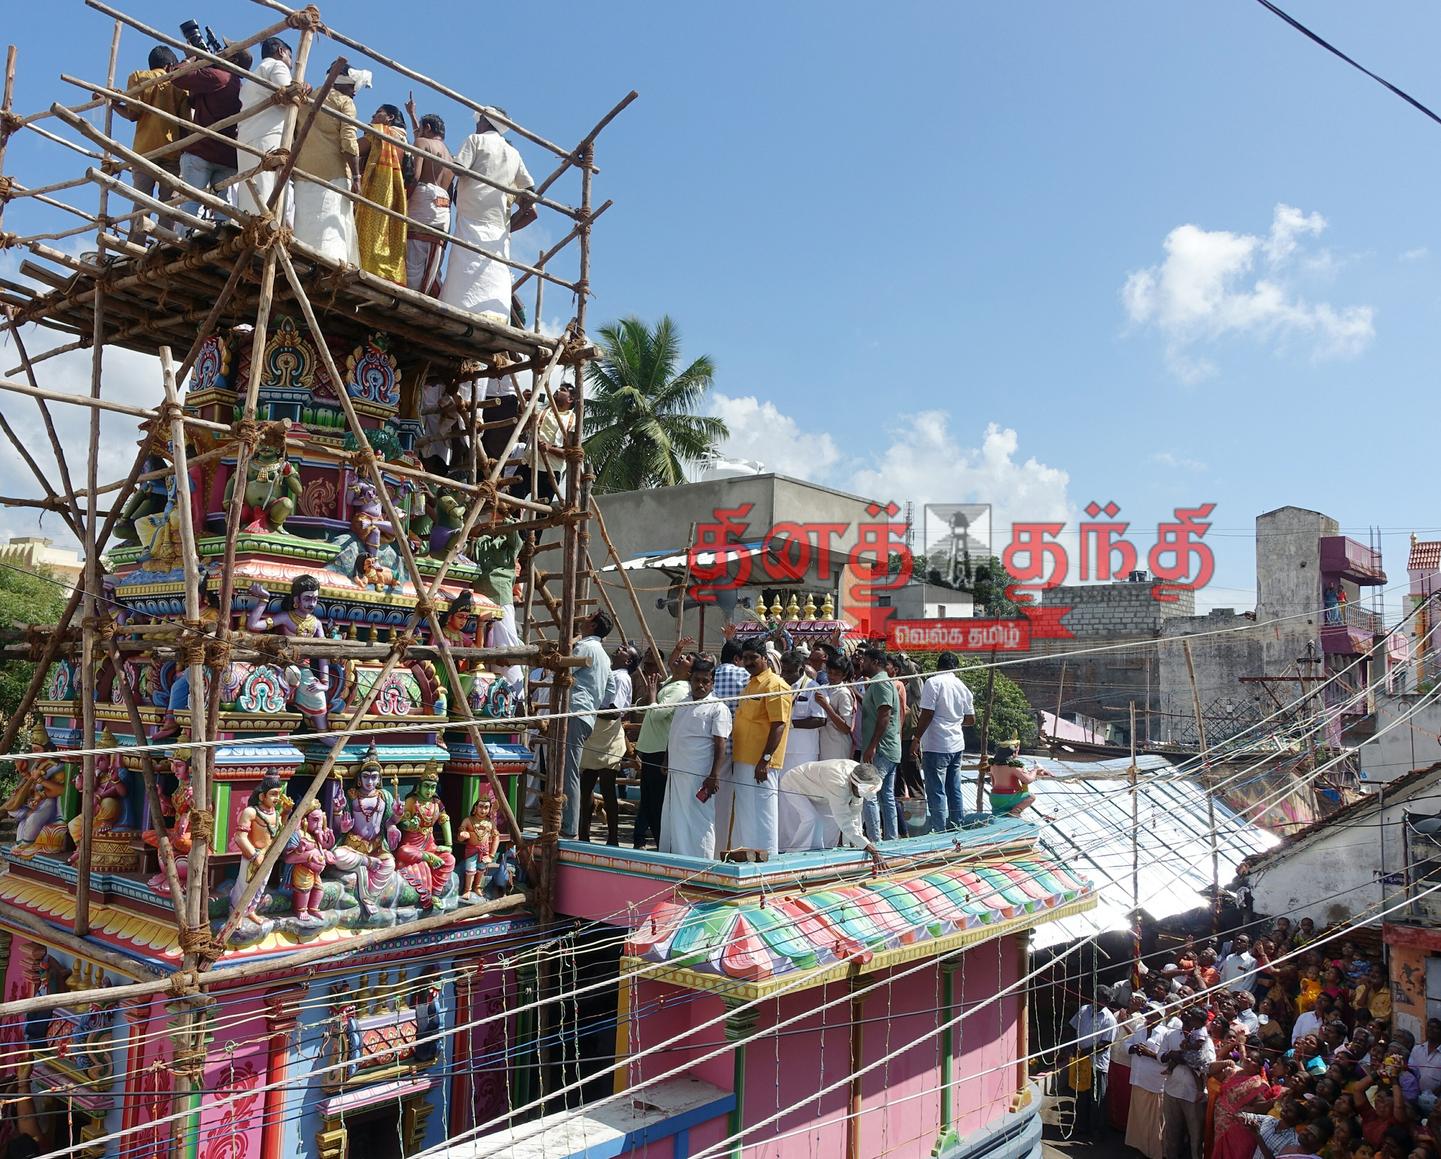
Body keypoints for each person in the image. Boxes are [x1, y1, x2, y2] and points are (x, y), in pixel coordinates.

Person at [440, 107, 535, 320]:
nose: (476, 123)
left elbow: (458, 169)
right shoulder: (513, 154)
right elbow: (530, 191)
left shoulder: (476, 140)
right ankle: (495, 314)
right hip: (497, 221)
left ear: (484, 121)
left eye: (479, 119)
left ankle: (459, 310)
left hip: (471, 213)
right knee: (494, 267)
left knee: (465, 262)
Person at [168, 43, 250, 228]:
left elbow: (178, 77)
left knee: (191, 203)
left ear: (233, 59)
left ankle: (184, 243)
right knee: (224, 208)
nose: (221, 52)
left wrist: (192, 59)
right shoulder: (239, 86)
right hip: (227, 157)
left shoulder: (218, 77)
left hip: (201, 152)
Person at [660, 658, 731, 859]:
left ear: (712, 683)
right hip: (676, 772)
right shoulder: (683, 702)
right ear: (691, 680)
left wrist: (714, 775)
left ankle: (702, 861)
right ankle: (678, 859)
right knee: (675, 818)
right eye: (696, 680)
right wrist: (666, 759)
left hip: (699, 776)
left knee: (700, 820)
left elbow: (720, 744)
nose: (700, 685)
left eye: (705, 681)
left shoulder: (718, 708)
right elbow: (674, 733)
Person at [725, 642, 792, 856]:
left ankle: (768, 858)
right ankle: (745, 856)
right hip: (743, 759)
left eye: (753, 657)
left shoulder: (775, 685)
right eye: (745, 658)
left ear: (764, 657)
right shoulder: (751, 683)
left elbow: (779, 724)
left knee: (763, 812)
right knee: (745, 811)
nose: (748, 662)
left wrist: (764, 760)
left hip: (762, 763)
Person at [293, 65, 364, 263]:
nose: (355, 91)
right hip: (333, 174)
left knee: (305, 222)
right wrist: (357, 176)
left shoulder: (306, 99)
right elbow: (349, 142)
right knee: (330, 225)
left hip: (303, 172)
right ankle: (327, 266)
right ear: (343, 83)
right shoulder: (344, 102)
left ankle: (301, 260)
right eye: (352, 87)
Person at [112, 46, 185, 239]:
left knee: (141, 200)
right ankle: (165, 243)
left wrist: (115, 105)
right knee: (169, 202)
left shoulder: (139, 77)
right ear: (170, 66)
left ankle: (136, 244)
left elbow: (133, 113)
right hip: (173, 149)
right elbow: (186, 122)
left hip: (145, 150)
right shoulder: (179, 84)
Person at [633, 643, 692, 850]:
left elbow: (658, 714)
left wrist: (651, 696)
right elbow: (670, 662)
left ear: (689, 671)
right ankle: (643, 839)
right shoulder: (672, 681)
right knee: (648, 798)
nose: (681, 659)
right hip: (651, 747)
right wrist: (677, 648)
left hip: (659, 749)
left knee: (655, 801)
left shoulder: (680, 689)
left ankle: (660, 844)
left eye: (686, 659)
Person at [776, 759, 885, 870]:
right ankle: (794, 855)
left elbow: (855, 811)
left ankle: (817, 853)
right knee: (812, 819)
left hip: (817, 789)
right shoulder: (838, 784)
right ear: (855, 785)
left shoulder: (861, 773)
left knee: (829, 823)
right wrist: (870, 848)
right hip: (794, 783)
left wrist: (858, 841)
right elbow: (845, 821)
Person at [560, 611, 613, 839]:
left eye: (587, 617)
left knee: (568, 771)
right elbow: (610, 693)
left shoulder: (585, 647)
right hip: (587, 715)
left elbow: (564, 670)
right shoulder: (604, 655)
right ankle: (568, 822)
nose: (582, 618)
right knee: (568, 769)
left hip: (574, 712)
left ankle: (570, 826)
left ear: (592, 625)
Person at [911, 651, 976, 833]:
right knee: (954, 788)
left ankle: (939, 829)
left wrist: (916, 739)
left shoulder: (933, 682)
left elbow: (927, 713)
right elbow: (971, 719)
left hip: (937, 744)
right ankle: (957, 826)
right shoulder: (962, 686)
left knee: (936, 789)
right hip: (957, 744)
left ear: (938, 666)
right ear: (955, 667)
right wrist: (953, 721)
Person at [402, 94, 454, 296]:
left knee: (413, 250)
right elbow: (422, 139)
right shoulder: (450, 156)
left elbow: (415, 176)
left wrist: (404, 198)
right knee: (433, 253)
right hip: (443, 205)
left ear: (428, 129)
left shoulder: (423, 143)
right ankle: (426, 293)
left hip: (423, 197)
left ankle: (409, 296)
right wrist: (413, 114)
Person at [235, 36, 293, 215]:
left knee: (250, 193)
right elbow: (289, 94)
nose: (291, 64)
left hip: (246, 139)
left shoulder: (252, 78)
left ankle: (251, 229)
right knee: (268, 189)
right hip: (268, 137)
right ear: (281, 52)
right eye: (290, 57)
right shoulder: (277, 66)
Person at [776, 649, 825, 849]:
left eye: (789, 672)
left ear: (800, 668)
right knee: (783, 800)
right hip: (782, 751)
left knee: (802, 800)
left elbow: (820, 719)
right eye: (783, 671)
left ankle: (804, 845)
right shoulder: (780, 686)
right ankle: (783, 843)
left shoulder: (812, 687)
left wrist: (792, 724)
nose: (785, 675)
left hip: (804, 752)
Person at [356, 103, 408, 283]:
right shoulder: (403, 141)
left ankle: (366, 267)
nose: (372, 116)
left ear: (390, 118)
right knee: (385, 233)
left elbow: (353, 149)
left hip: (376, 188)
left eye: (378, 112)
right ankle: (383, 273)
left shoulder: (379, 133)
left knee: (370, 228)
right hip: (394, 193)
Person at [1160, 1006, 1215, 1159]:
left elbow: (1207, 1065)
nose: (1188, 1018)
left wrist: (1185, 1059)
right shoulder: (1170, 1035)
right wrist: (1172, 1055)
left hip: (1193, 1097)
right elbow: (1161, 1057)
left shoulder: (1204, 1040)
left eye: (1192, 1017)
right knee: (1172, 1133)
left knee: (1195, 1137)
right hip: (1172, 1091)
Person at [858, 647, 901, 840]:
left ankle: (876, 840)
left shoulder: (881, 683)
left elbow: (884, 715)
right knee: (886, 796)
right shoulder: (879, 683)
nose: (861, 664)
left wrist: (872, 746)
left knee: (869, 794)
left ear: (875, 662)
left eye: (864, 660)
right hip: (889, 747)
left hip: (881, 749)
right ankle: (891, 839)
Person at [1066, 986, 1119, 1141]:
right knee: (1081, 1095)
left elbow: (1105, 1044)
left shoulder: (1109, 1019)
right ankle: (1081, 1127)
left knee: (1096, 1099)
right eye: (1096, 997)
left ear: (1107, 1001)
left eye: (1102, 999)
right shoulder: (1084, 1010)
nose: (1097, 1001)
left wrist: (1085, 1051)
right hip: (1081, 1062)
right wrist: (1073, 1046)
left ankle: (1096, 1131)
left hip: (1097, 1064)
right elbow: (1072, 1027)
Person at [1126, 1007, 1168, 1159]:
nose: (1149, 1016)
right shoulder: (1139, 1027)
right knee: (1138, 1117)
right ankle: (1138, 1146)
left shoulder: (1165, 1034)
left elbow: (1166, 1059)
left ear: (1160, 1016)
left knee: (1153, 1121)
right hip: (1138, 1078)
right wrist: (1133, 1048)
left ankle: (1153, 1152)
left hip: (1154, 1083)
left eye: (1153, 1014)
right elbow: (1127, 1043)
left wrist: (1150, 1054)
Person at [987, 744, 1052, 820]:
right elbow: (1027, 780)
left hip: (994, 798)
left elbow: (993, 783)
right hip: (1008, 798)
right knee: (1031, 797)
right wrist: (1035, 770)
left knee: (998, 815)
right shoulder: (1013, 767)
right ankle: (1015, 812)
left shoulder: (993, 766)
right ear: (1012, 754)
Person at [815, 654, 857, 762]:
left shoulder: (843, 693)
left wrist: (826, 706)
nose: (832, 677)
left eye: (837, 674)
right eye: (829, 672)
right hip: (823, 743)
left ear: (844, 675)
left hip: (838, 745)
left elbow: (846, 728)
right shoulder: (824, 688)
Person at [1408, 1018, 1441, 1094]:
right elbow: (1410, 1071)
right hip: (1415, 1095)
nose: (1431, 1030)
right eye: (1429, 1027)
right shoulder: (1417, 1049)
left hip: (1437, 1099)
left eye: (1435, 1028)